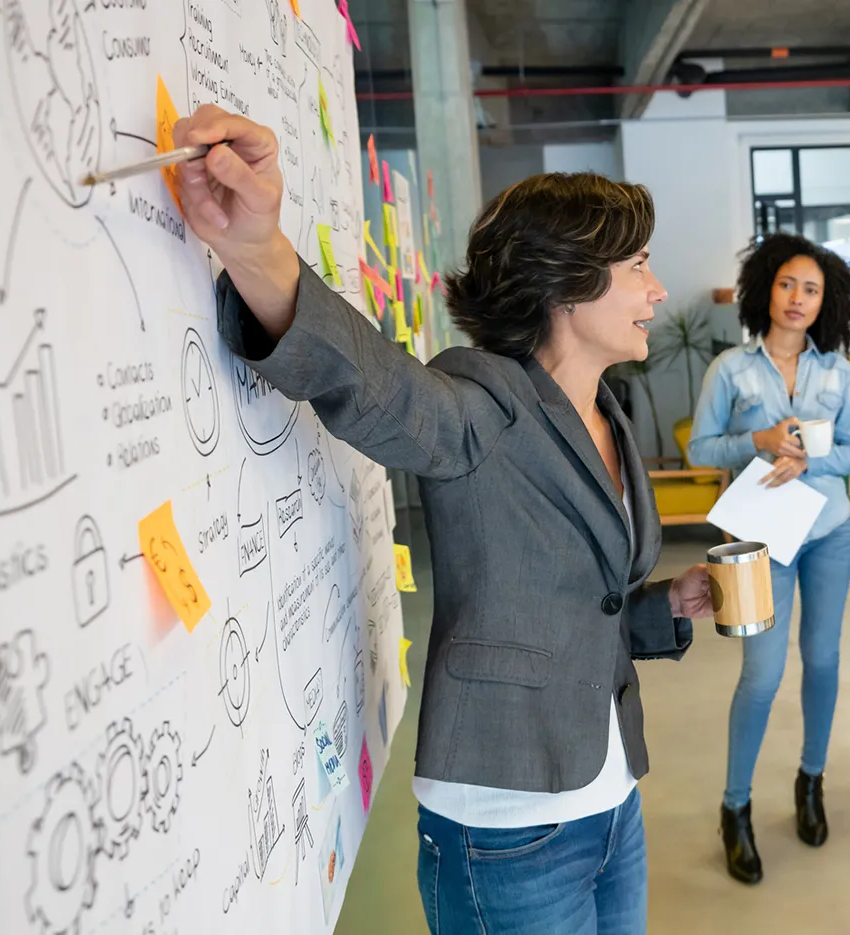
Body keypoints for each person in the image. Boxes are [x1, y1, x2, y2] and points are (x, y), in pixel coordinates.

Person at [171, 104, 715, 935]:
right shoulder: (481, 403)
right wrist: (258, 249)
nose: (658, 287)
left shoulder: (604, 408)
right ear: (568, 284)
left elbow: (574, 609)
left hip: (609, 799)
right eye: (637, 264)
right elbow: (379, 389)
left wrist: (664, 608)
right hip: (508, 827)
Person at [688, 232, 850, 885]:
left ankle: (811, 781)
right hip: (761, 540)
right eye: (788, 284)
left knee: (822, 661)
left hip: (828, 533)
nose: (798, 298)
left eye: (812, 289)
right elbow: (700, 450)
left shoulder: (837, 371)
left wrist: (812, 457)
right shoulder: (730, 370)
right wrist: (757, 440)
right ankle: (735, 807)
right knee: (761, 677)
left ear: (828, 302)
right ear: (766, 287)